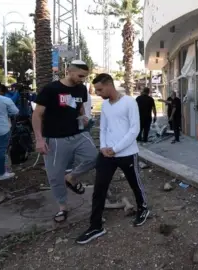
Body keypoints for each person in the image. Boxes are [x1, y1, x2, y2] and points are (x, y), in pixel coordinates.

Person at [76, 73, 149, 244]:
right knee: (99, 189)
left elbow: (134, 130)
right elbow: (104, 128)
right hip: (106, 155)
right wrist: (102, 147)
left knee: (135, 185)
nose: (98, 93)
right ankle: (95, 226)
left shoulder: (129, 102)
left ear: (110, 85)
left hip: (127, 154)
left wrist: (115, 149)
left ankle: (143, 209)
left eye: (100, 89)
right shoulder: (105, 105)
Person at [32, 60, 98, 223]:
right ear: (69, 71)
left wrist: (83, 117)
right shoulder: (51, 89)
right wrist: (39, 139)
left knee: (95, 157)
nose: (82, 79)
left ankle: (72, 178)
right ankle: (63, 207)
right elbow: (37, 114)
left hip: (78, 134)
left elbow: (80, 107)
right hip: (55, 139)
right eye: (80, 76)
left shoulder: (81, 88)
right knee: (55, 175)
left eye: (85, 76)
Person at [66, 81, 94, 173]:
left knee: (77, 146)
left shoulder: (80, 91)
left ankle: (72, 167)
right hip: (83, 120)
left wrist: (84, 117)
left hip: (81, 122)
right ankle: (71, 167)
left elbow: (82, 108)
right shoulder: (81, 92)